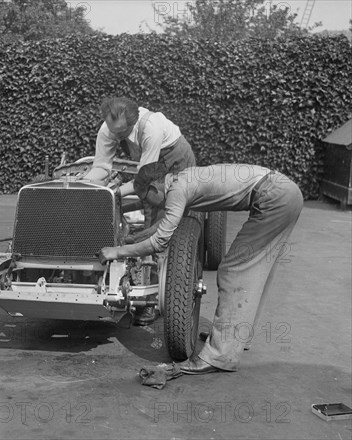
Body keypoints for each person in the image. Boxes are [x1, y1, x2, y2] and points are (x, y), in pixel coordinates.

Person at [99, 162, 303, 375]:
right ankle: (234, 337)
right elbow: (164, 228)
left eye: (144, 199)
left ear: (154, 189)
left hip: (274, 197)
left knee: (233, 271)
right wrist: (131, 239)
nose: (147, 204)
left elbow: (160, 242)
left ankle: (219, 356)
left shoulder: (177, 190)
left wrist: (118, 253)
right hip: (284, 191)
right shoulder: (183, 180)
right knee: (258, 268)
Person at [83, 97, 197, 325]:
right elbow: (102, 168)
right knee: (123, 207)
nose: (115, 137)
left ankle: (150, 300)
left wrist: (115, 193)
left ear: (132, 123)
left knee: (158, 230)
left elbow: (143, 181)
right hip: (150, 171)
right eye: (112, 131)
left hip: (176, 161)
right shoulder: (109, 129)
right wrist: (86, 187)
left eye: (121, 132)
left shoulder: (151, 128)